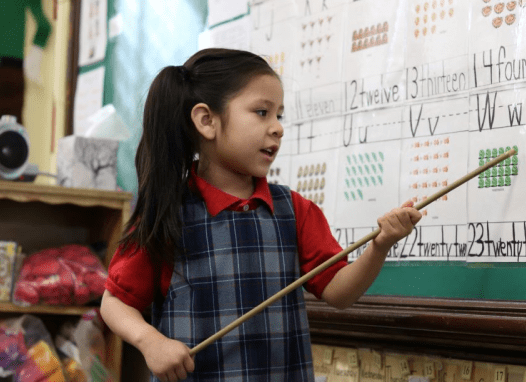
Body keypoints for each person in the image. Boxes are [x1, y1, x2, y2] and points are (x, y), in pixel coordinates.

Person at [100, 48, 422, 382]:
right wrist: (149, 340)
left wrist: (381, 245)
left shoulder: (294, 211)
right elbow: (114, 302)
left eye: (279, 115)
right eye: (262, 112)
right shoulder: (168, 214)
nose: (277, 128)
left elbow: (341, 294)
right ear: (207, 120)